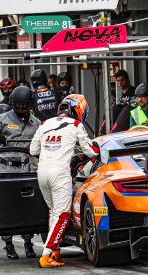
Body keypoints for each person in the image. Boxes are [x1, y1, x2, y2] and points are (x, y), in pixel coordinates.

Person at [30, 94, 99, 268]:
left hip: (42, 173)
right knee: (63, 215)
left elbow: (33, 150)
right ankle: (46, 255)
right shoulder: (76, 125)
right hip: (60, 173)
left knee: (54, 212)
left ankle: (55, 252)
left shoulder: (45, 123)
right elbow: (91, 152)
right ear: (79, 110)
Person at [0, 86, 41, 260]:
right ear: (13, 103)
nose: (22, 107)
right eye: (18, 104)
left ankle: (28, 243)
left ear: (30, 104)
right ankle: (8, 244)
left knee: (27, 207)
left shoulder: (36, 123)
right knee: (7, 207)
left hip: (26, 168)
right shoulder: (3, 118)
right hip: (4, 169)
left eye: (25, 104)